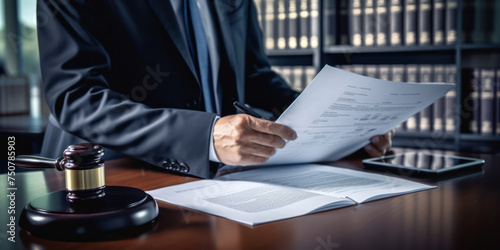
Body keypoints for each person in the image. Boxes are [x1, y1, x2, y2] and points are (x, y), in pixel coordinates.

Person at [38, 0, 394, 179]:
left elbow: (254, 75)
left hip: (221, 181)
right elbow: (75, 96)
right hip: (111, 180)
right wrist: (204, 137)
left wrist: (337, 124)